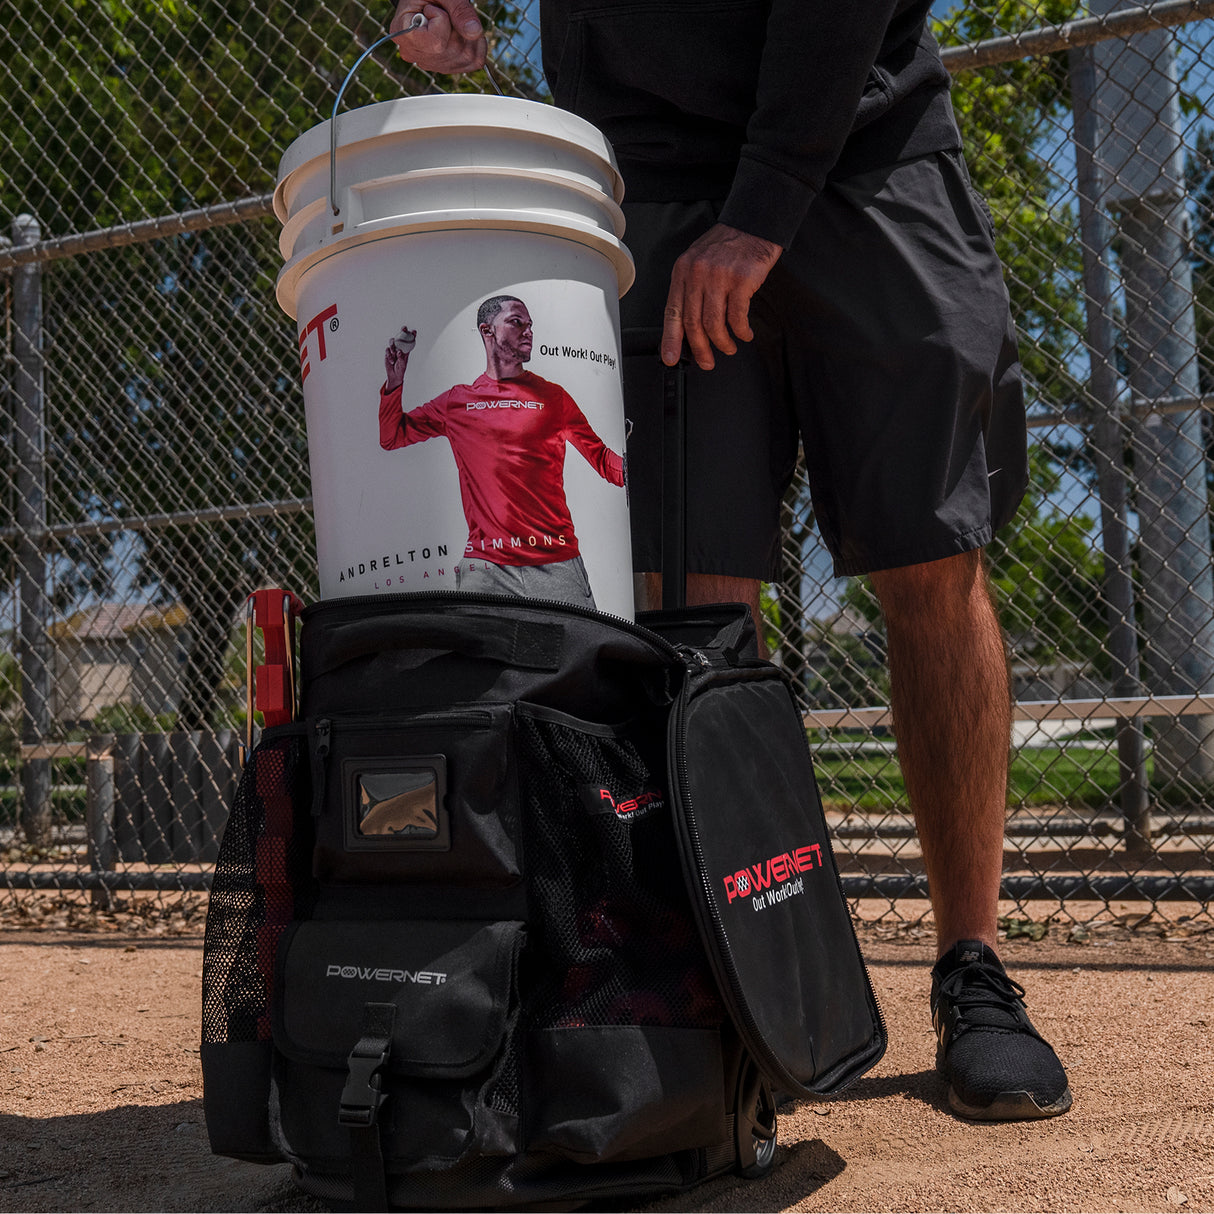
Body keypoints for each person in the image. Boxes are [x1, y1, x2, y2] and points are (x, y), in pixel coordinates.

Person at [388, 2, 1071, 1122]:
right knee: (693, 608)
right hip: (655, 175)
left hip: (860, 146)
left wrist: (761, 211)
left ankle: (972, 968)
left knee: (928, 563)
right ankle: (733, 984)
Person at [379, 294, 625, 610]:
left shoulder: (554, 397)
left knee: (578, 657)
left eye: (530, 325)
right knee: (484, 662)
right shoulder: (457, 401)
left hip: (556, 563)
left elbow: (604, 461)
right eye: (516, 322)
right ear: (487, 331)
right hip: (487, 568)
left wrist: (639, 469)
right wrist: (394, 383)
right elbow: (392, 436)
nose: (528, 331)